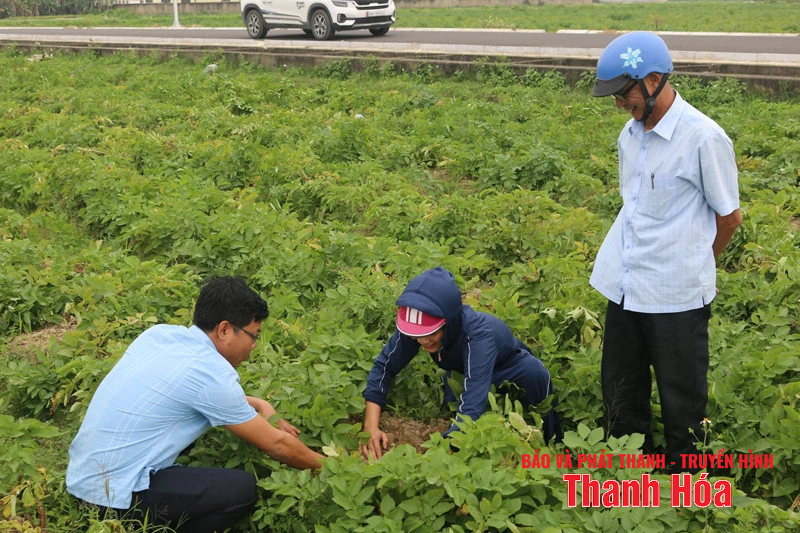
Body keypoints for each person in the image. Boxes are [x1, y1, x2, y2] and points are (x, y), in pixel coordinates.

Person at [590, 32, 742, 470]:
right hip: (626, 282)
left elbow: (729, 218)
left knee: (683, 398)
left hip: (676, 293)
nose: (621, 105)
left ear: (654, 79)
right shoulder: (630, 134)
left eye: (625, 94)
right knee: (621, 386)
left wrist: (695, 264)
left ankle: (689, 482)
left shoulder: (703, 138)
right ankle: (631, 468)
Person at [66, 277, 323, 532]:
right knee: (241, 489)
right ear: (224, 330)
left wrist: (258, 403)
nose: (254, 345)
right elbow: (278, 446)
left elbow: (180, 391)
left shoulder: (160, 335)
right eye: (253, 335)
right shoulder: (211, 373)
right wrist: (337, 467)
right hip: (112, 500)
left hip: (81, 480)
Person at [360, 267, 560, 460]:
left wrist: (442, 455)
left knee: (537, 398)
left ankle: (557, 454)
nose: (422, 341)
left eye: (431, 333)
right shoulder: (417, 330)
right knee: (459, 417)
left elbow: (473, 401)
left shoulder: (478, 336)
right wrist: (370, 427)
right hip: (465, 373)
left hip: (513, 370)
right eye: (417, 336)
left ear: (450, 321)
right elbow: (384, 367)